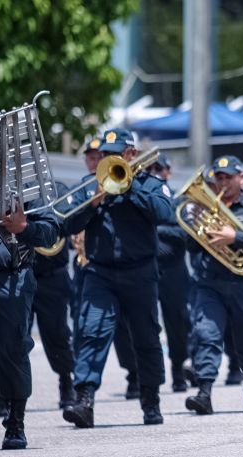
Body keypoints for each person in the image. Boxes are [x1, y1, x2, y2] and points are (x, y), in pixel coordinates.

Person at [62, 128, 174, 428]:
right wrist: (94, 203)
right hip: (101, 272)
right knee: (92, 331)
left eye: (116, 153)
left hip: (140, 272)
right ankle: (84, 401)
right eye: (105, 154)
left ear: (131, 155)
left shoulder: (151, 184)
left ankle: (151, 400)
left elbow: (165, 213)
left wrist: (130, 187)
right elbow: (66, 224)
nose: (109, 158)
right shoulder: (90, 185)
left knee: (146, 338)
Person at [0, 106, 60, 448]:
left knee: (13, 350)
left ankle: (15, 421)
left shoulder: (25, 178)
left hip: (10, 276)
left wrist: (24, 227)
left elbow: (51, 230)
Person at [184, 156, 243, 414]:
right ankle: (204, 391)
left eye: (228, 177)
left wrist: (235, 236)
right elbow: (189, 245)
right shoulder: (205, 207)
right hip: (211, 283)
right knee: (206, 335)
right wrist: (195, 224)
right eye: (219, 178)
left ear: (239, 178)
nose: (223, 182)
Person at [31, 180, 76, 409]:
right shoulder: (8, 189)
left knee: (57, 333)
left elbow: (70, 222)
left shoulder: (59, 188)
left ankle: (66, 381)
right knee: (9, 337)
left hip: (52, 275)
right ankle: (3, 390)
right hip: (21, 272)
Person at [148, 154, 192, 392]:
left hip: (173, 270)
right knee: (145, 323)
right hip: (147, 268)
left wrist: (155, 229)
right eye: (151, 169)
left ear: (168, 172)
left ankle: (178, 369)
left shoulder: (177, 201)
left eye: (159, 168)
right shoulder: (144, 196)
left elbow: (184, 233)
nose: (155, 172)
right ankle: (142, 374)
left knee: (177, 323)